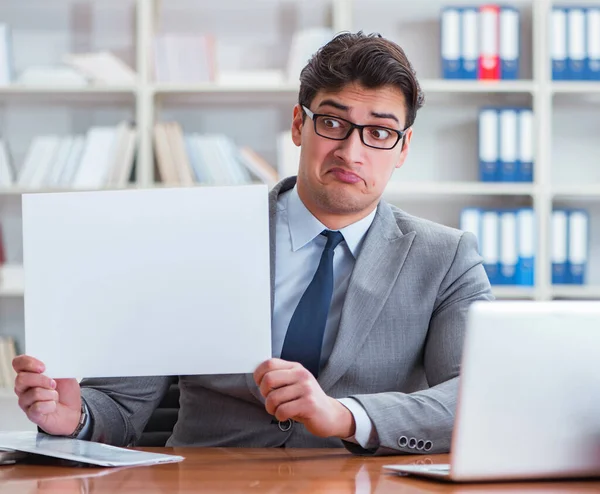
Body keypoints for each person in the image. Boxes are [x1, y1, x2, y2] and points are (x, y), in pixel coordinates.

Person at [13, 31, 493, 455]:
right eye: (332, 122)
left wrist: (346, 416)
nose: (351, 151)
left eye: (380, 133)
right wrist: (72, 418)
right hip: (207, 480)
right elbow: (121, 404)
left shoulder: (446, 258)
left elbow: (478, 396)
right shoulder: (196, 235)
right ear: (299, 125)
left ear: (404, 148)